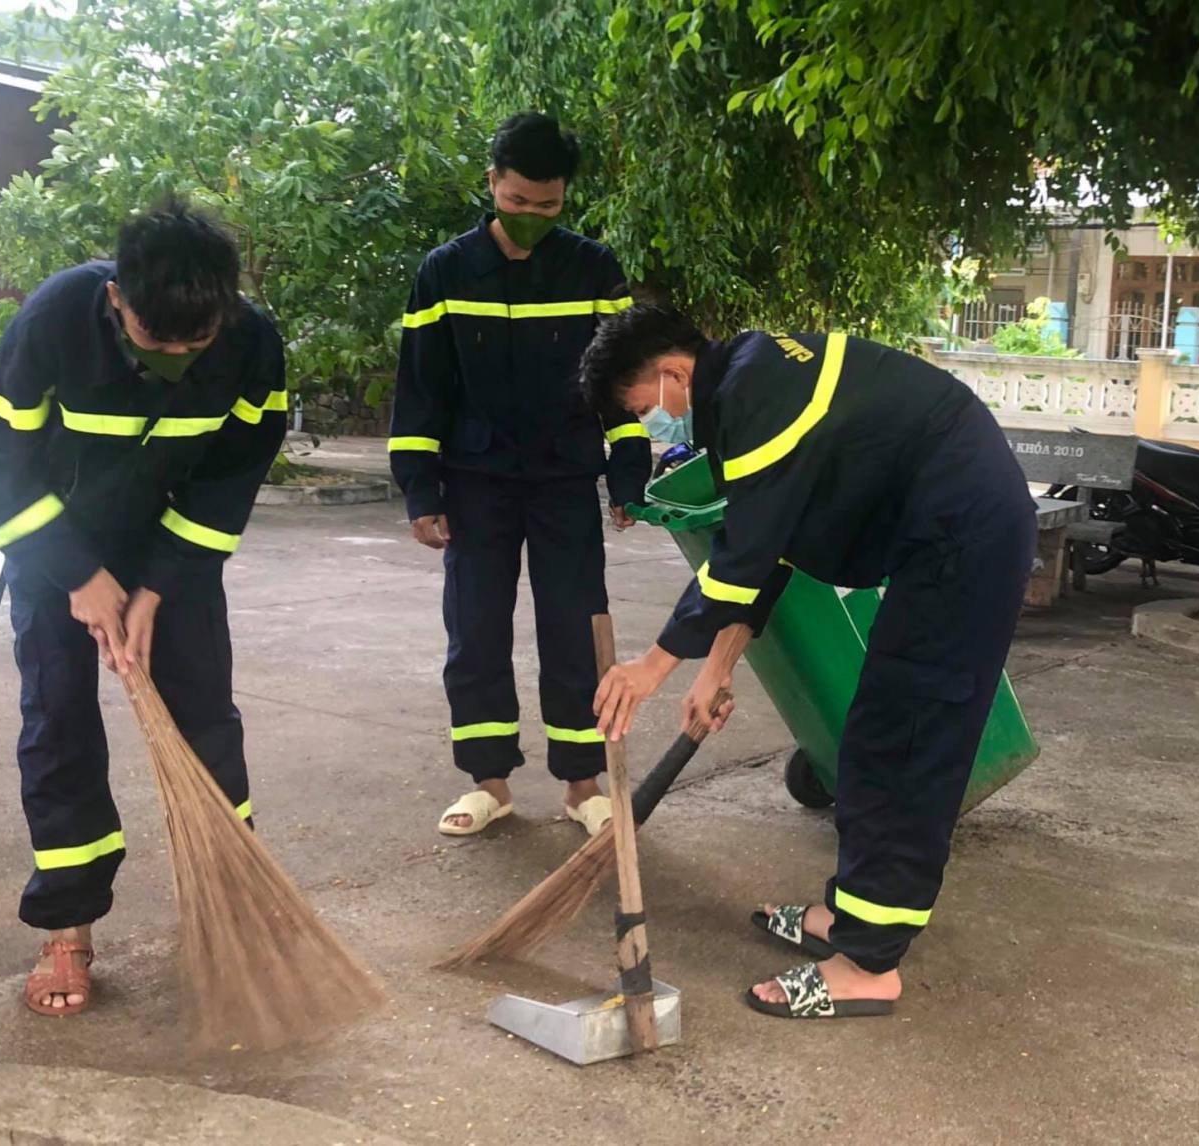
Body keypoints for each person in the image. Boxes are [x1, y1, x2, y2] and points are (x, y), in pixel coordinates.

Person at [582, 305, 1035, 1019]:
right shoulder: (753, 386)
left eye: (644, 412)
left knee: (906, 744)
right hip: (944, 538)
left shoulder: (754, 396)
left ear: (673, 375)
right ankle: (849, 919)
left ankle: (868, 966)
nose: (653, 427)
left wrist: (653, 666)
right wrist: (718, 666)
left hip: (963, 542)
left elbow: (739, 565)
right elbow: (771, 549)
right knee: (872, 735)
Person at [0, 199, 287, 1016]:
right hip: (53, 544)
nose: (178, 356)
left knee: (206, 718)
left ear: (227, 308)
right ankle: (69, 925)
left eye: (196, 341)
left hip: (170, 546)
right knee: (59, 721)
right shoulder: (54, 322)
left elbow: (233, 472)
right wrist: (76, 575)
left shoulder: (253, 342)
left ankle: (228, 897)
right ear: (117, 301)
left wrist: (161, 582)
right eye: (156, 339)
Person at [389, 112, 653, 838]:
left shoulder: (593, 269)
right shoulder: (444, 272)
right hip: (475, 480)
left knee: (575, 625)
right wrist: (421, 487)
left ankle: (581, 785)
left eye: (548, 206)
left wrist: (628, 477)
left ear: (564, 197)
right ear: (492, 184)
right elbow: (421, 391)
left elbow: (621, 385)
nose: (532, 218)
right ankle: (490, 783)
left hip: (565, 475)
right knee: (474, 629)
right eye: (517, 202)